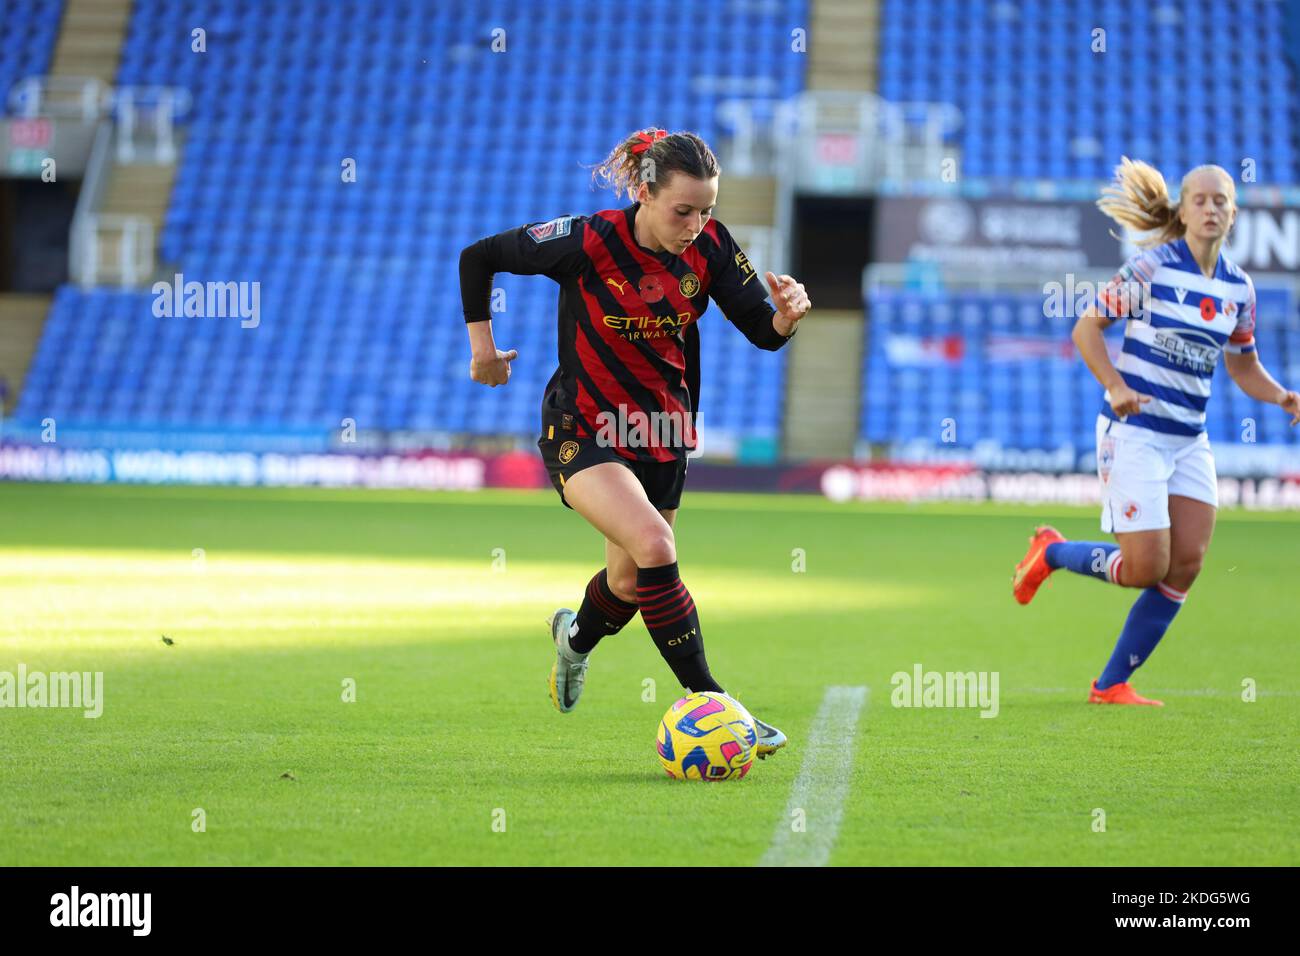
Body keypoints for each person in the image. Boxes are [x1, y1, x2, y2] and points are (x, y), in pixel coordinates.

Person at [458, 128, 812, 753]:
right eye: (684, 210)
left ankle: (574, 641)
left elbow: (762, 330)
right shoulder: (588, 240)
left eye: (708, 210)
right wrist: (482, 349)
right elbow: (478, 255)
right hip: (583, 426)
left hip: (663, 432)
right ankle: (718, 704)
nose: (697, 224)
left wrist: (785, 315)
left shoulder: (713, 247)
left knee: (626, 583)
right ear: (646, 194)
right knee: (655, 543)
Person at [1014, 158, 1299, 705]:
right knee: (1147, 568)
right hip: (1135, 430)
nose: (1211, 208)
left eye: (1222, 200)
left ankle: (1111, 683)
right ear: (1183, 210)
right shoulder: (1151, 269)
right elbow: (1086, 327)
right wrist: (1116, 385)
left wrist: (1282, 394)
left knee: (1186, 565)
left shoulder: (1239, 289)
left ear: (1234, 213)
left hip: (1189, 438)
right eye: (1201, 199)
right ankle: (1050, 553)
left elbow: (1242, 365)